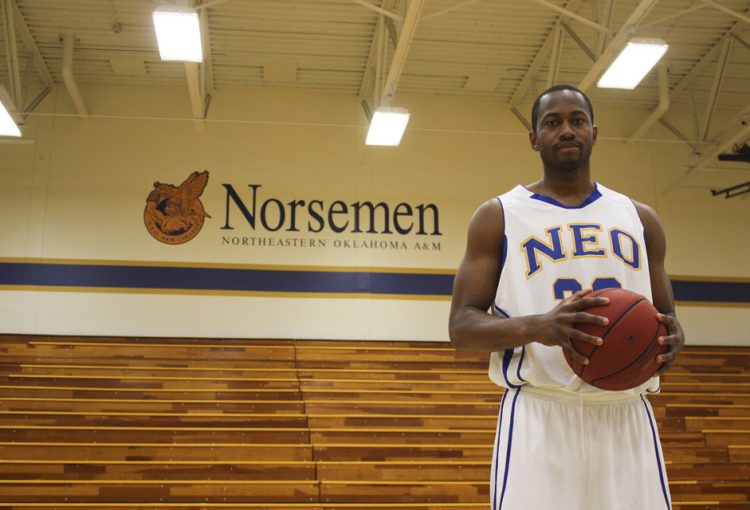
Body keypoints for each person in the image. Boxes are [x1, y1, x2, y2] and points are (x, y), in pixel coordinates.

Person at [448, 84, 685, 510]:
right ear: (535, 139)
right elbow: (462, 327)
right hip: (540, 412)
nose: (566, 130)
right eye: (552, 122)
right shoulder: (499, 215)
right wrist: (537, 326)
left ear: (594, 131)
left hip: (625, 411)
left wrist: (670, 342)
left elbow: (668, 319)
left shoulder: (640, 217)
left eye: (577, 120)